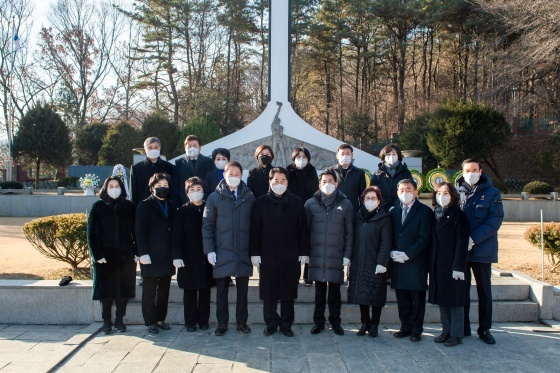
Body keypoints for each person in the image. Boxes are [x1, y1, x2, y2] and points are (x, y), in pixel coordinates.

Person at [250, 167, 310, 337]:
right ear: (270, 181)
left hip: (290, 254)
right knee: (269, 290)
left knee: (288, 290)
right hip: (267, 254)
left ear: (288, 182)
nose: (279, 183)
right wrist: (255, 253)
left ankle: (286, 324)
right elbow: (255, 229)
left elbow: (303, 229)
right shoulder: (260, 202)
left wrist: (303, 252)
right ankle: (270, 323)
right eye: (276, 180)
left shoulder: (296, 201)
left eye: (283, 180)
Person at [203, 161, 255, 336]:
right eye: (230, 173)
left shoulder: (249, 197)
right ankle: (222, 323)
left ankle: (242, 322)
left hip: (243, 251)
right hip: (222, 250)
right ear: (224, 175)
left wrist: (255, 251)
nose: (233, 177)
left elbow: (255, 227)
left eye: (237, 174)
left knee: (242, 291)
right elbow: (207, 225)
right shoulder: (214, 197)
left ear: (242, 176)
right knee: (221, 291)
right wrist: (209, 250)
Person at [456, 159, 504, 345]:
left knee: (484, 291)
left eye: (474, 170)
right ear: (462, 171)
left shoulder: (492, 193)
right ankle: (464, 326)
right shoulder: (457, 192)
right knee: (463, 290)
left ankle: (485, 329)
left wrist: (473, 239)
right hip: (462, 250)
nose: (471, 173)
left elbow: (495, 220)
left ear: (481, 171)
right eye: (468, 170)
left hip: (482, 249)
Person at [305, 170, 354, 336]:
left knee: (334, 293)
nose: (328, 183)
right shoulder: (310, 204)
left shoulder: (346, 204)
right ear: (319, 184)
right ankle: (318, 322)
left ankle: (335, 322)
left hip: (336, 255)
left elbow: (349, 232)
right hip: (317, 255)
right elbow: (305, 230)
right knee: (319, 293)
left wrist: (347, 255)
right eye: (324, 181)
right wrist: (305, 252)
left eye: (331, 181)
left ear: (336, 184)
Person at [87, 176, 137, 334]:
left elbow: (136, 231)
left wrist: (137, 251)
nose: (114, 189)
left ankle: (120, 320)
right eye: (111, 186)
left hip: (125, 255)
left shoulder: (129, 206)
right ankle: (106, 321)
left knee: (124, 291)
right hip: (105, 257)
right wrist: (97, 254)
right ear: (105, 188)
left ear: (122, 188)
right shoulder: (98, 206)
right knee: (106, 292)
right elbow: (92, 233)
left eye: (117, 186)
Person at [389, 179, 433, 342]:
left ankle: (416, 329)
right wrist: (391, 252)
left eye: (408, 189)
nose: (404, 193)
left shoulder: (424, 212)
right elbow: (389, 234)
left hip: (416, 262)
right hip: (397, 263)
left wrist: (408, 254)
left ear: (416, 192)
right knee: (402, 298)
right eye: (401, 190)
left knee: (417, 298)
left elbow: (424, 238)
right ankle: (405, 326)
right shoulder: (393, 211)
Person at [347, 186, 392, 338]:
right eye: (368, 198)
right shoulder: (358, 217)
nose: (370, 201)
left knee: (376, 295)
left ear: (379, 201)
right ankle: (364, 322)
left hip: (375, 262)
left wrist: (382, 262)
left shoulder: (384, 218)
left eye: (374, 198)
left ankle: (374, 324)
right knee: (362, 295)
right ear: (363, 200)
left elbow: (386, 242)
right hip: (359, 261)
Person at [429, 182, 470, 347]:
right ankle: (446, 330)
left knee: (456, 301)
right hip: (438, 264)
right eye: (439, 193)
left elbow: (462, 242)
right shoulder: (436, 214)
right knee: (443, 300)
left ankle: (457, 334)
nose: (442, 196)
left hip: (454, 264)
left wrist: (459, 266)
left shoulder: (459, 216)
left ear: (453, 196)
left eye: (445, 193)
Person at [172, 177, 215, 332]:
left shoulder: (209, 209)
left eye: (199, 190)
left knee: (205, 290)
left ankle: (203, 320)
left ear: (204, 192)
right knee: (189, 292)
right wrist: (176, 256)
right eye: (192, 190)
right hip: (187, 257)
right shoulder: (182, 211)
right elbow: (176, 236)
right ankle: (190, 321)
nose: (195, 193)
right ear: (187, 193)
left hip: (206, 257)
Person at [135, 172, 176, 333]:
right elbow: (139, 230)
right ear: (152, 188)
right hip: (150, 255)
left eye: (165, 186)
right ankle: (150, 321)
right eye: (159, 186)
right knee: (149, 290)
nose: (162, 189)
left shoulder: (172, 205)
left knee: (164, 290)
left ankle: (160, 319)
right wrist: (142, 252)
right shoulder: (144, 205)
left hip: (167, 255)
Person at [286, 147, 319, 286]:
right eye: (298, 157)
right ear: (293, 158)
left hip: (310, 210)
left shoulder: (312, 172)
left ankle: (308, 275)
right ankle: (294, 274)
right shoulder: (288, 172)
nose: (301, 159)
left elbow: (316, 191)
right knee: (293, 244)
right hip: (292, 211)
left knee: (309, 243)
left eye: (304, 157)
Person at [172, 135, 215, 205]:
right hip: (184, 203)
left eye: (195, 146)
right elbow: (176, 185)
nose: (192, 148)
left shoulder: (209, 162)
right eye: (189, 146)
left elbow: (211, 183)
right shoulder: (179, 163)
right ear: (185, 148)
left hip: (205, 203)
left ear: (200, 147)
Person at [130, 137, 174, 205]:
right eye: (150, 148)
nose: (153, 150)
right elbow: (134, 192)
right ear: (145, 149)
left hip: (164, 206)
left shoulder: (169, 167)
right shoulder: (136, 168)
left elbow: (172, 190)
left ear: (160, 148)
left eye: (156, 147)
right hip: (144, 207)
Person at [370, 144, 413, 211]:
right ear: (384, 156)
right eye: (388, 154)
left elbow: (409, 190)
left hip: (402, 209)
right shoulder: (377, 174)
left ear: (398, 155)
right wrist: (388, 207)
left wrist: (396, 207)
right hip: (382, 210)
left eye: (394, 154)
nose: (391, 157)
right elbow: (375, 192)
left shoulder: (406, 172)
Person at [327, 144, 368, 212]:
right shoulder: (330, 171)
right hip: (334, 210)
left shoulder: (359, 173)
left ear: (352, 155)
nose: (345, 156)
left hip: (353, 210)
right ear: (337, 156)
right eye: (342, 154)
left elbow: (362, 195)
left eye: (348, 153)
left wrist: (362, 211)